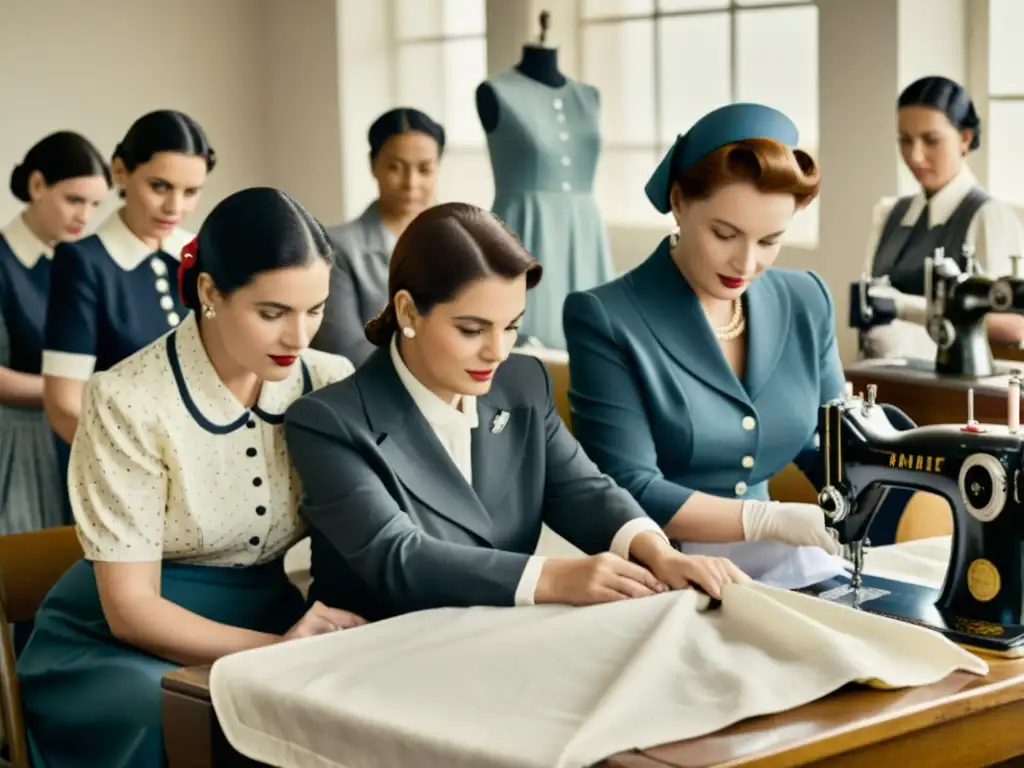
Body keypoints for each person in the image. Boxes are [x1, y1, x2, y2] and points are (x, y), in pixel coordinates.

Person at [17, 187, 365, 768]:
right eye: (272, 312)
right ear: (209, 292)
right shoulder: (127, 399)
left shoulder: (327, 379)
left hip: (269, 617)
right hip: (116, 645)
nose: (299, 338)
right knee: (182, 712)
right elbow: (131, 612)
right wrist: (276, 652)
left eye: (315, 310)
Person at [285, 202, 748, 622]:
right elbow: (398, 558)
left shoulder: (522, 382)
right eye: (472, 329)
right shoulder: (328, 421)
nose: (498, 352)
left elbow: (584, 491)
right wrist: (554, 578)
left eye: (511, 327)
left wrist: (658, 553)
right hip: (379, 652)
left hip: (508, 638)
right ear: (407, 311)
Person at [562, 103, 845, 590]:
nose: (747, 262)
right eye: (725, 233)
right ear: (679, 201)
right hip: (659, 568)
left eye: (770, 240)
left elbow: (831, 445)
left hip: (781, 563)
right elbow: (629, 486)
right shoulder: (606, 318)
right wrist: (765, 520)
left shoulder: (806, 300)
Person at [42, 109, 216, 450]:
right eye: (159, 186)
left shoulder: (205, 255)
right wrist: (131, 470)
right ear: (120, 172)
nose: (174, 207)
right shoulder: (83, 263)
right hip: (119, 470)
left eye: (191, 191)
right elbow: (64, 403)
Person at [861, 75, 1024, 360]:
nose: (915, 156)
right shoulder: (889, 214)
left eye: (931, 140)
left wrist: (905, 308)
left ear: (965, 138)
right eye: (905, 141)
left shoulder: (988, 216)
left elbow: (1013, 326)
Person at [0, 132, 109, 534]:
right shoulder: (3, 264)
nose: (85, 215)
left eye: (95, 204)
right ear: (37, 185)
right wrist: (67, 391)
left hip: (72, 439)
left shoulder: (80, 266)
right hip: (17, 449)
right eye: (74, 200)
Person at [312, 107, 445, 365]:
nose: (411, 183)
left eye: (425, 169)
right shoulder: (337, 247)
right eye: (396, 167)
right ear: (373, 165)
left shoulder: (463, 242)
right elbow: (344, 349)